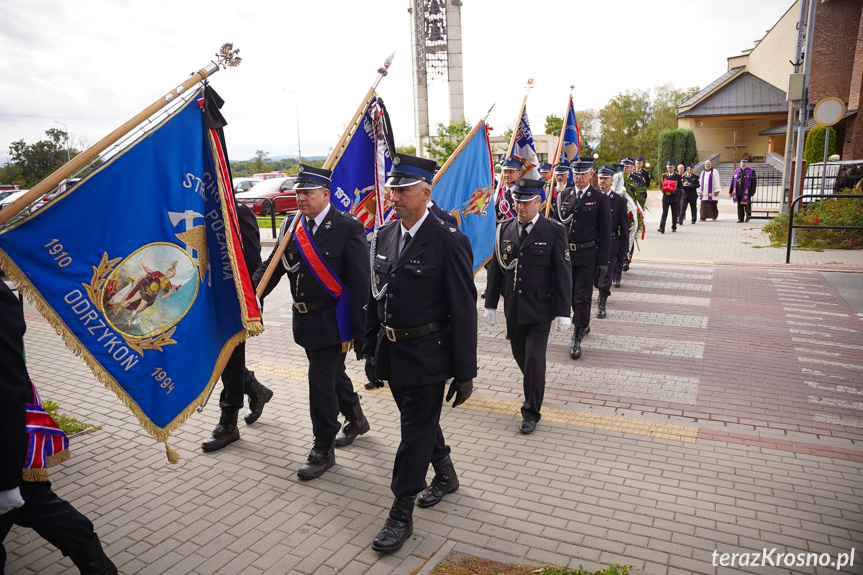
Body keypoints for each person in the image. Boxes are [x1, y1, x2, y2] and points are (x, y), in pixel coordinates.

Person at [364, 153, 476, 553]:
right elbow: (377, 298)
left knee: (412, 436)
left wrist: (465, 372)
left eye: (403, 189)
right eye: (392, 188)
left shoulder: (448, 240)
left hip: (430, 355)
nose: (394, 195)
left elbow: (463, 309)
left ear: (426, 192)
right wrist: (371, 350)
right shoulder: (384, 235)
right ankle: (445, 473)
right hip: (393, 352)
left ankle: (400, 512)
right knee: (421, 424)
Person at [254, 164, 371, 480]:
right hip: (305, 322)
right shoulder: (292, 227)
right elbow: (274, 267)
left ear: (325, 194)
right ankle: (357, 418)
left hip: (335, 322)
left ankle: (323, 448)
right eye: (297, 192)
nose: (300, 198)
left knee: (320, 383)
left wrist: (363, 334)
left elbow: (361, 283)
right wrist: (252, 292)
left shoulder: (348, 227)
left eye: (306, 192)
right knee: (333, 376)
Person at [1, 281, 118, 575]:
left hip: (8, 437)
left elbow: (7, 390)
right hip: (9, 440)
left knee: (34, 502)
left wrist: (5, 480)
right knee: (36, 504)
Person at [484, 177, 571, 434]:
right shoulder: (504, 229)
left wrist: (563, 312)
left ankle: (531, 411)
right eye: (516, 201)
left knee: (534, 359)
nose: (519, 207)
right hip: (514, 308)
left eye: (525, 202)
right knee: (520, 355)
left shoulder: (554, 230)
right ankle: (536, 384)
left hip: (541, 309)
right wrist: (490, 304)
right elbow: (497, 270)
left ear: (538, 202)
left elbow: (563, 273)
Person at [201, 200, 273, 451]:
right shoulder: (190, 208)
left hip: (231, 304)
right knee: (217, 361)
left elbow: (253, 265)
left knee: (229, 361)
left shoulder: (238, 212)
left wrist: (249, 307)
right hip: (200, 302)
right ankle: (255, 388)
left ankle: (228, 423)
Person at [552, 158, 611, 360]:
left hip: (587, 255)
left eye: (582, 173)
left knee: (582, 296)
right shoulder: (563, 196)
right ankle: (582, 322)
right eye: (575, 173)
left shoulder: (600, 198)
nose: (578, 177)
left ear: (590, 174)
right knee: (568, 296)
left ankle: (576, 337)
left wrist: (603, 261)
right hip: (566, 256)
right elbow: (555, 228)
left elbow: (605, 233)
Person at [594, 166, 629, 319]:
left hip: (611, 241)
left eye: (605, 178)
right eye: (600, 178)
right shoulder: (591, 198)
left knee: (606, 275)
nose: (602, 181)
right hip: (592, 242)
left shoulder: (619, 201)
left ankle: (602, 303)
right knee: (592, 276)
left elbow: (624, 226)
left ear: (611, 181)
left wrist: (624, 249)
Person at [730, 158, 757, 222]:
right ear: (740, 164)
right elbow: (733, 182)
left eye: (745, 164)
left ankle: (748, 216)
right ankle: (740, 218)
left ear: (747, 164)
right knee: (740, 206)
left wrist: (753, 192)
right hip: (738, 191)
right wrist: (730, 191)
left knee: (747, 205)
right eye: (742, 164)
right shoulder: (736, 171)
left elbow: (754, 182)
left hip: (747, 192)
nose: (743, 165)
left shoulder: (751, 171)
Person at [658, 161, 682, 233]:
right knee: (664, 213)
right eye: (668, 167)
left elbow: (680, 186)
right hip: (666, 197)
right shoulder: (664, 175)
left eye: (671, 167)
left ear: (674, 167)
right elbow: (661, 185)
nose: (669, 169)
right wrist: (662, 190)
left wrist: (676, 190)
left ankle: (674, 226)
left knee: (674, 213)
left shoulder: (677, 176)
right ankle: (662, 227)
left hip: (674, 197)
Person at [495, 157, 521, 223]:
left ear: (519, 174)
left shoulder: (523, 193)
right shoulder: (497, 193)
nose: (507, 175)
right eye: (505, 172)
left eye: (511, 172)